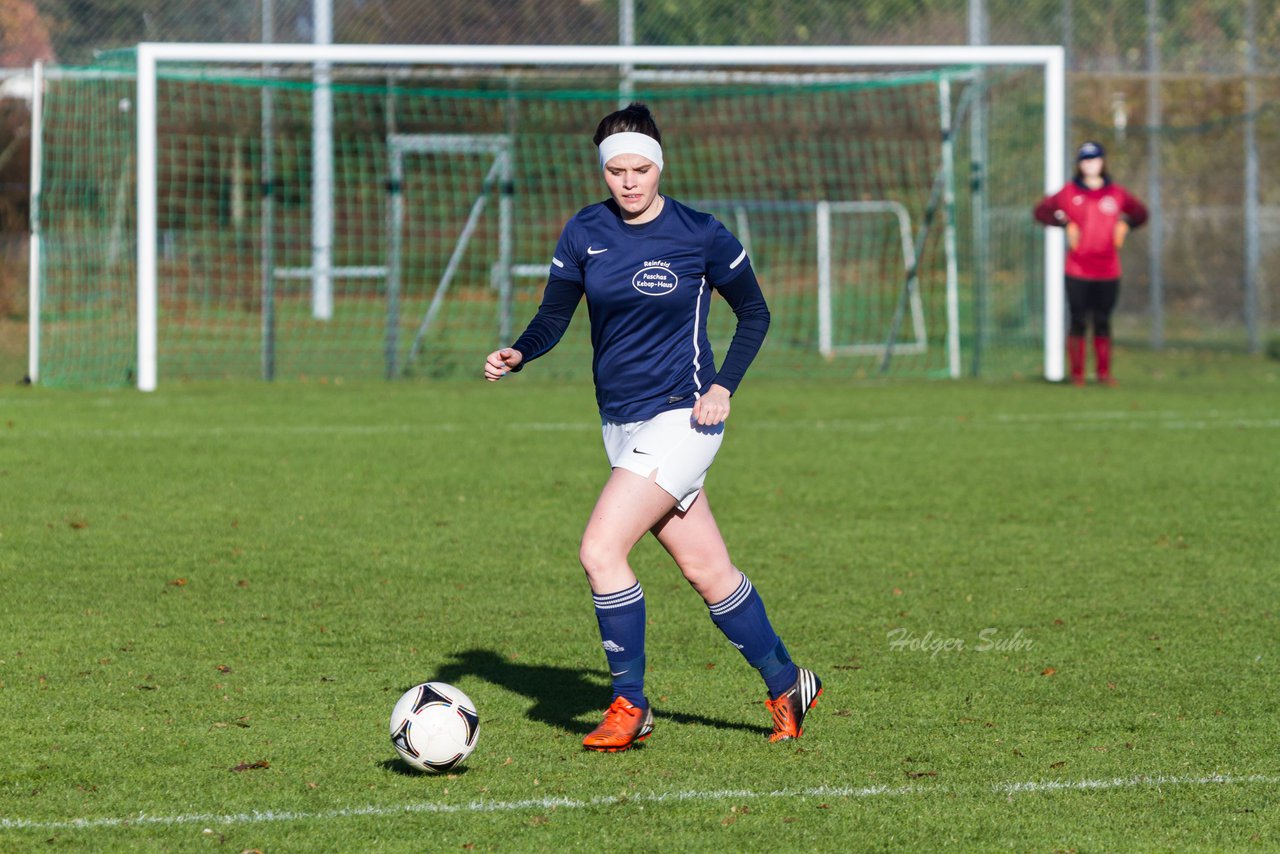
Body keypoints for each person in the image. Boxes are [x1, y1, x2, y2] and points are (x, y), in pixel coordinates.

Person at [483, 103, 821, 751]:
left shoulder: (701, 233)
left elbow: (755, 312)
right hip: (621, 423)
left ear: (659, 166)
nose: (629, 182)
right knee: (707, 570)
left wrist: (723, 386)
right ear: (603, 172)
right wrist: (521, 351)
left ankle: (629, 705)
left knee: (600, 551)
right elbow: (554, 316)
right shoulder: (584, 232)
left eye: (640, 169)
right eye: (616, 171)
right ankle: (787, 681)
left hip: (685, 414)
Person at [1034, 141, 1148, 386]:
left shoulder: (1116, 194)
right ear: (1079, 164)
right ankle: (1077, 375)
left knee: (1103, 321)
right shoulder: (1068, 193)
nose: (1090, 164)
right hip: (1077, 269)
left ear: (1102, 162)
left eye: (1094, 159)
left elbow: (1141, 213)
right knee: (1078, 319)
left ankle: (1103, 374)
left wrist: (1125, 224)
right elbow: (1041, 211)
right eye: (1085, 160)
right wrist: (1065, 224)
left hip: (1107, 270)